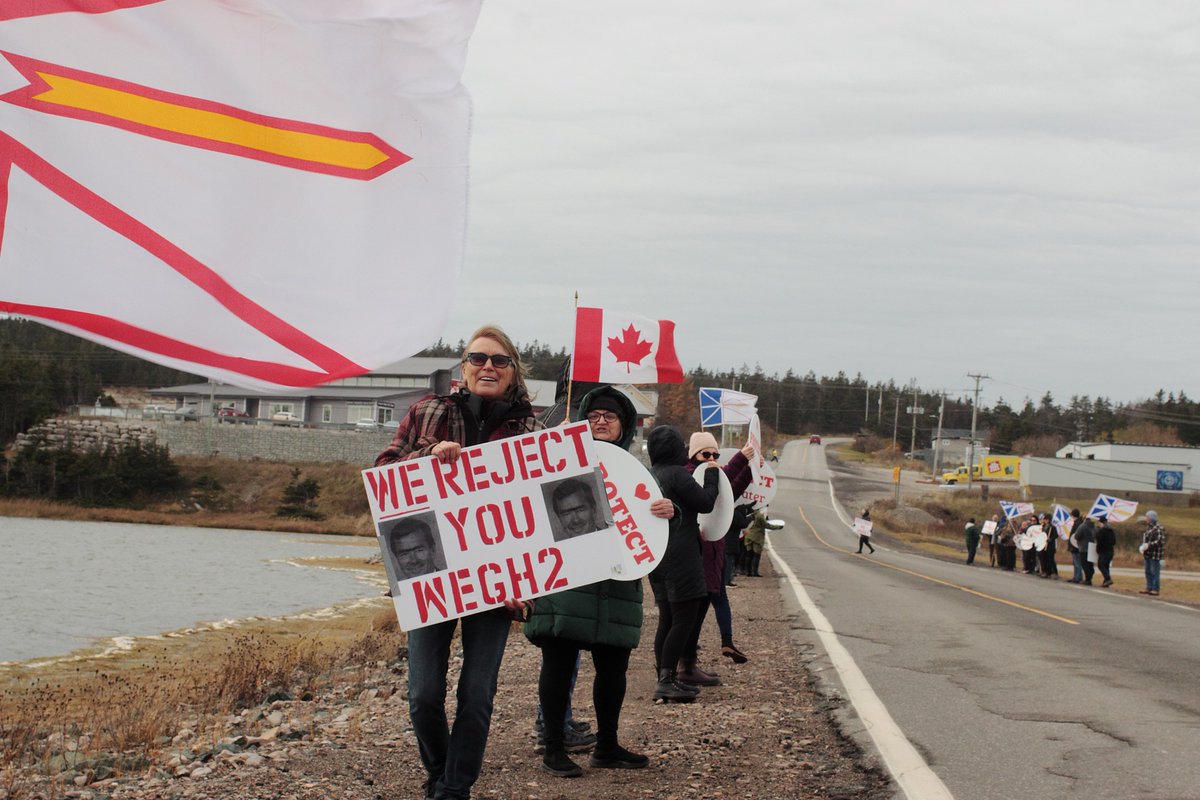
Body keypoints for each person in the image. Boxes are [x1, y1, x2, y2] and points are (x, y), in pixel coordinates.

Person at [374, 325, 537, 800]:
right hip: (431, 575)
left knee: (477, 696)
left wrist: (527, 583)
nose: (488, 367)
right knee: (423, 694)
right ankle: (442, 769)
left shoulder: (533, 431)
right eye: (478, 358)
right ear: (463, 368)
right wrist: (427, 456)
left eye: (499, 361)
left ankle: (454, 789)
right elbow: (384, 473)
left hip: (499, 582)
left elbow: (545, 515)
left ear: (513, 372)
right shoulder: (426, 412)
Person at [524, 386, 673, 777]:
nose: (601, 421)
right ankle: (554, 749)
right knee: (558, 660)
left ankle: (607, 745)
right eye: (593, 416)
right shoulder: (557, 460)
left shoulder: (634, 470)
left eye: (610, 416)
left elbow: (647, 522)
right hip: (568, 577)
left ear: (624, 425)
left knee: (614, 665)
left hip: (617, 579)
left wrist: (664, 510)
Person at [647, 425, 719, 702]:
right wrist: (712, 475)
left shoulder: (652, 474)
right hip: (682, 555)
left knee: (666, 618)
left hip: (658, 556)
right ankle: (667, 680)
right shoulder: (677, 474)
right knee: (684, 620)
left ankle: (666, 678)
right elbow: (705, 503)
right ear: (678, 448)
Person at [680, 432, 755, 682]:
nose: (712, 459)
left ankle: (689, 665)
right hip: (696, 557)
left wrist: (750, 470)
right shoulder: (690, 475)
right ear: (693, 456)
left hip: (712, 557)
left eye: (715, 454)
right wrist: (741, 459)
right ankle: (683, 668)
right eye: (706, 454)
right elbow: (712, 485)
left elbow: (728, 494)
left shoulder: (710, 476)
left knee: (698, 615)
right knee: (688, 617)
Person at [385, 514, 442, 580]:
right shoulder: (396, 589)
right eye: (404, 554)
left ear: (432, 550)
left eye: (419, 550)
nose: (413, 560)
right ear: (396, 557)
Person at [1139, 510, 1166, 596]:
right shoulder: (1148, 528)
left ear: (1151, 518)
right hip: (1148, 554)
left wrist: (1148, 545)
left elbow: (1160, 541)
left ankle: (1155, 589)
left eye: (1147, 517)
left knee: (1155, 572)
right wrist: (1143, 547)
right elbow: (1146, 540)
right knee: (1148, 571)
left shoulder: (1158, 528)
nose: (1146, 519)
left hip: (1155, 554)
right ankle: (1149, 587)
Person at [1074, 515, 1097, 585]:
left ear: (1084, 519)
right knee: (1090, 564)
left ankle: (1088, 579)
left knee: (1084, 564)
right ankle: (1089, 577)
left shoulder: (1082, 526)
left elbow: (1077, 536)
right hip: (1092, 547)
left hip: (1083, 547)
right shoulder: (1094, 527)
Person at [1095, 515, 1116, 588]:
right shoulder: (1111, 530)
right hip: (1110, 550)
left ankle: (1108, 579)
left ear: (1101, 522)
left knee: (1101, 565)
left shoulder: (1102, 531)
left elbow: (1099, 541)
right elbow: (1114, 541)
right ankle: (1106, 581)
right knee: (1106, 566)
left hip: (1103, 551)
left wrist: (1098, 549)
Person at [1037, 513, 1059, 579]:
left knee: (1050, 560)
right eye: (1045, 519)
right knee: (1044, 559)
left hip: (1050, 546)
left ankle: (1054, 572)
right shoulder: (1043, 527)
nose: (1046, 521)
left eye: (1047, 519)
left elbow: (1056, 535)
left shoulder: (1052, 527)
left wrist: (1050, 539)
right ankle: (1046, 572)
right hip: (1043, 545)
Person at [1067, 509, 1084, 583]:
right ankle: (1075, 576)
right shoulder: (1077, 523)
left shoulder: (1078, 524)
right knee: (1075, 562)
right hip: (1074, 545)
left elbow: (1075, 536)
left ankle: (1078, 577)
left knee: (1077, 562)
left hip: (1076, 546)